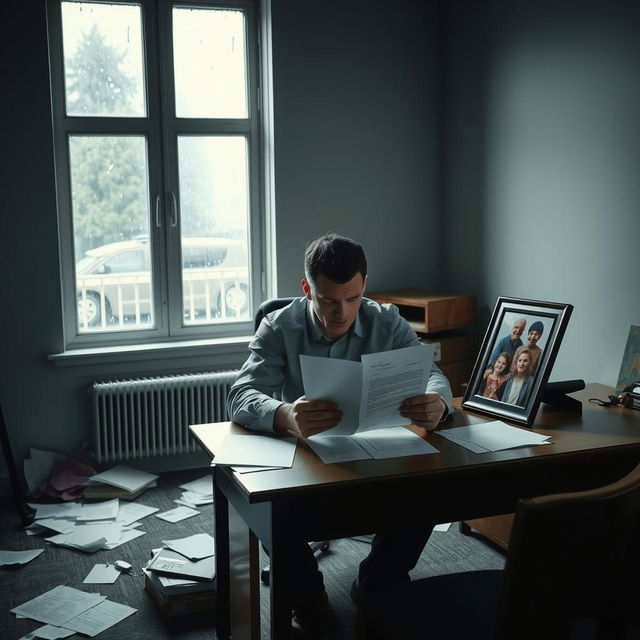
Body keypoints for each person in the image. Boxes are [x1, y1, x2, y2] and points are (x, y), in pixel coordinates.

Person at [227, 233, 453, 638]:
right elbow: (241, 394)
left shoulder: (386, 320)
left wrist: (437, 400)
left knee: (427, 492)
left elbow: (432, 374)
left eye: (352, 298)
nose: (341, 312)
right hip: (305, 459)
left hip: (376, 451)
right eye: (328, 299)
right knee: (276, 516)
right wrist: (283, 414)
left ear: (364, 284)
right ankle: (309, 601)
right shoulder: (279, 326)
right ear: (306, 288)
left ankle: (377, 581)